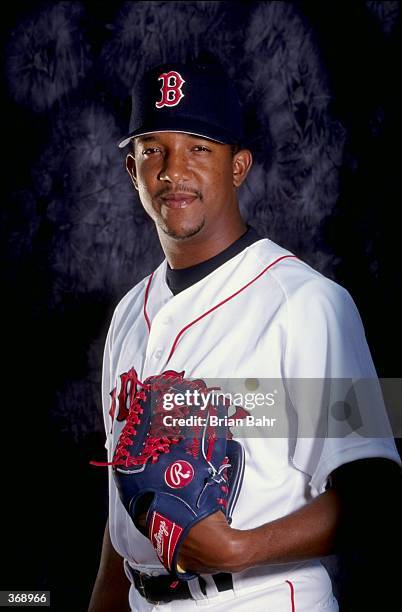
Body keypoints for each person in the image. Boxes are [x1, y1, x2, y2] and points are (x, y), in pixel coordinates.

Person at [88, 55, 401, 612]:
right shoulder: (126, 317)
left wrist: (239, 548)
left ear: (239, 166)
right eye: (152, 149)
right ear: (130, 169)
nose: (172, 171)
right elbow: (125, 514)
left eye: (199, 148)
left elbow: (376, 499)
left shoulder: (309, 303)